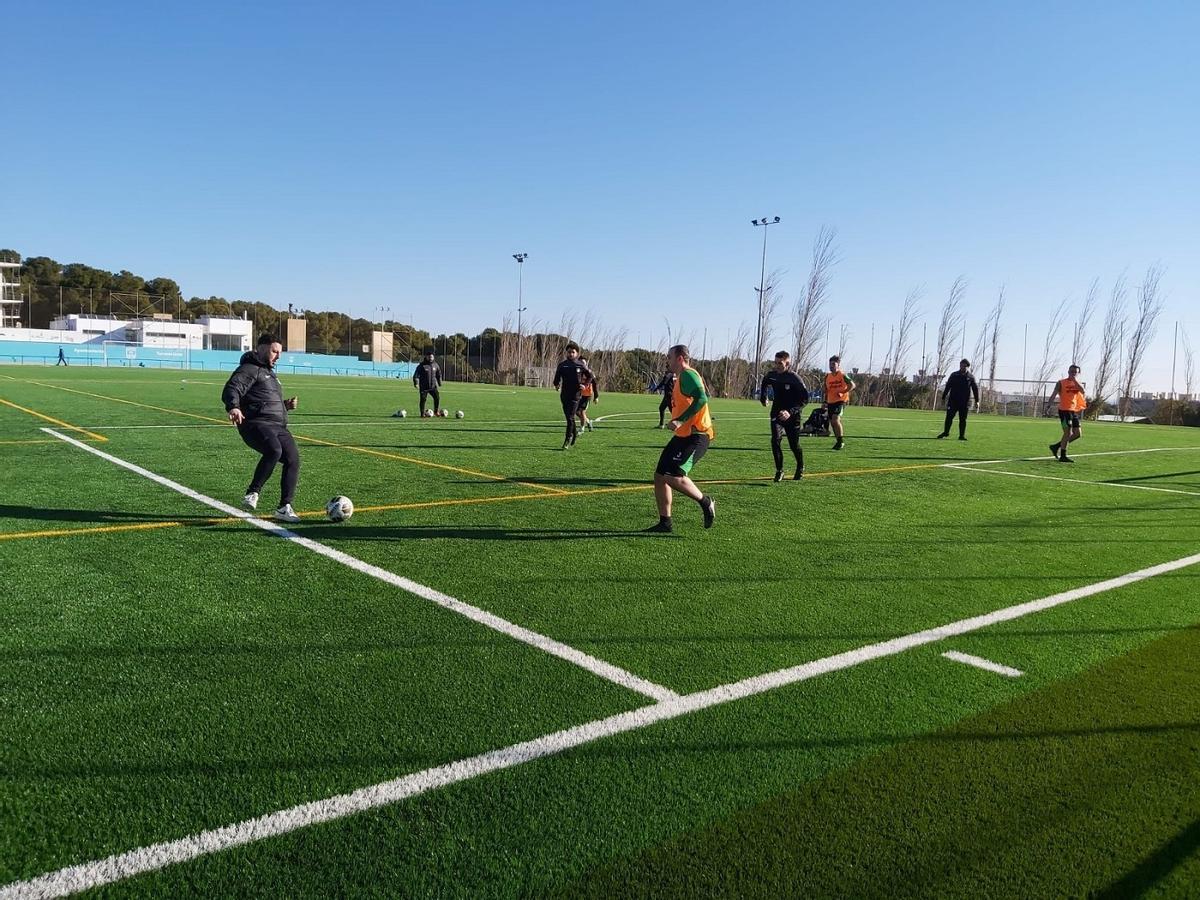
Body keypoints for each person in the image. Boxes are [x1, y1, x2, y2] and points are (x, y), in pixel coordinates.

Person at [221, 334, 301, 522]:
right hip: (256, 424)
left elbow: (262, 399)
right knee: (274, 450)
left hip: (278, 425)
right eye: (274, 351)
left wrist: (284, 405)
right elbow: (232, 388)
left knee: (293, 460)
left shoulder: (271, 374)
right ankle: (252, 492)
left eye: (280, 352)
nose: (278, 356)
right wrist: (233, 406)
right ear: (262, 348)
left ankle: (284, 507)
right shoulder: (249, 368)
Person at [646, 344, 716, 533]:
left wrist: (679, 420)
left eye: (669, 357)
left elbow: (702, 398)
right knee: (660, 475)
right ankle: (665, 523)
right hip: (682, 435)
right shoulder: (679, 378)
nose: (667, 360)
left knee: (674, 475)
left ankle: (705, 502)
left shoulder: (688, 374)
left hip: (697, 435)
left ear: (680, 358)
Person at [760, 350, 810, 481]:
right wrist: (763, 397)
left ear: (787, 363)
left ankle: (800, 466)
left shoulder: (794, 378)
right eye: (775, 363)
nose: (777, 366)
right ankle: (779, 470)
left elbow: (805, 399)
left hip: (793, 416)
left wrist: (790, 412)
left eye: (780, 363)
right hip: (776, 413)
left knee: (794, 445)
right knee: (775, 440)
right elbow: (765, 381)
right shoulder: (772, 375)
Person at [552, 342, 596, 449]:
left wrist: (585, 385)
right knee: (569, 418)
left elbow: (591, 376)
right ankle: (574, 433)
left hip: (576, 395)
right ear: (566, 353)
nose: (571, 354)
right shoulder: (562, 365)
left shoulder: (580, 365)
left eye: (573, 352)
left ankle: (567, 439)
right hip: (564, 395)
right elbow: (556, 378)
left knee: (570, 417)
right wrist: (557, 385)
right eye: (569, 352)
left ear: (576, 353)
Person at [1047, 364, 1086, 463]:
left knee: (1077, 434)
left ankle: (1056, 446)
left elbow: (1083, 391)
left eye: (1075, 372)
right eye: (1071, 371)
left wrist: (1075, 380)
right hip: (1064, 411)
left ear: (1078, 373)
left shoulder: (1078, 383)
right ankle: (1063, 455)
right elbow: (1054, 394)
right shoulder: (1061, 382)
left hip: (1073, 411)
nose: (1072, 373)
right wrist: (1048, 406)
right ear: (1068, 371)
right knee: (1067, 432)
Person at [937, 359, 980, 440]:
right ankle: (946, 432)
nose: (962, 367)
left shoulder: (970, 377)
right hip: (953, 401)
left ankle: (961, 436)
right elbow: (948, 387)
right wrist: (943, 398)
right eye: (960, 365)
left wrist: (977, 401)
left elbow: (975, 389)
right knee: (949, 417)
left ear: (967, 367)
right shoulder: (954, 375)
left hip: (964, 402)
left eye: (964, 366)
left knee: (963, 419)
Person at [823, 355, 854, 450]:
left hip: (841, 401)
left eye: (833, 364)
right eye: (830, 364)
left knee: (835, 419)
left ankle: (840, 442)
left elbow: (852, 385)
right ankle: (839, 441)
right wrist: (825, 401)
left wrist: (843, 392)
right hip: (830, 401)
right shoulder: (827, 377)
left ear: (838, 365)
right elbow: (826, 390)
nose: (831, 366)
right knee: (833, 422)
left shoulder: (842, 375)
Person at [413, 350, 442, 416]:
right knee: (423, 399)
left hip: (433, 386)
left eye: (432, 357)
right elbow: (416, 375)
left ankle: (436, 411)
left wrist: (439, 382)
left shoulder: (436, 365)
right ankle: (422, 413)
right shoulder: (421, 365)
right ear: (426, 357)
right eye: (429, 357)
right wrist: (416, 383)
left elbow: (439, 374)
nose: (430, 358)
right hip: (424, 387)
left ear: (433, 357)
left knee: (437, 398)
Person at [576, 358, 599, 433]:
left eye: (584, 363)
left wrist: (596, 397)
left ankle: (582, 428)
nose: (582, 364)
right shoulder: (578, 372)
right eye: (581, 363)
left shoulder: (590, 373)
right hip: (579, 394)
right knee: (577, 412)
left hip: (587, 395)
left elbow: (595, 385)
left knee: (582, 411)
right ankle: (588, 422)